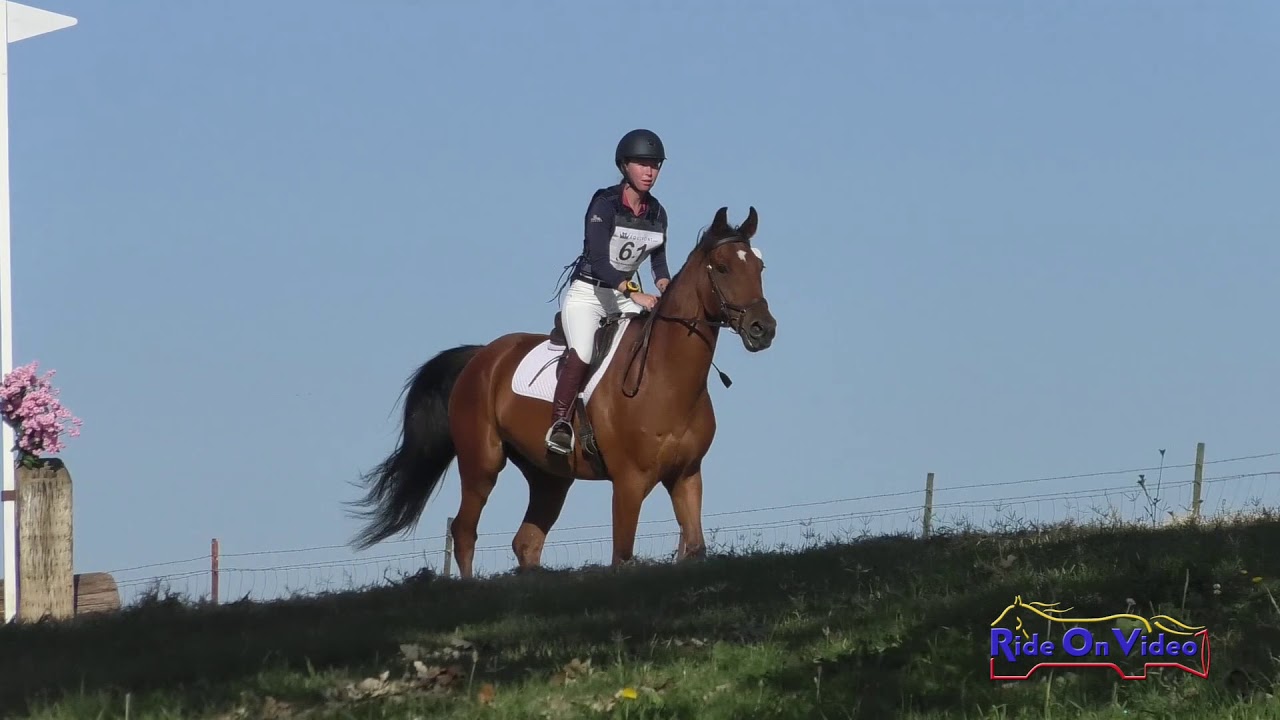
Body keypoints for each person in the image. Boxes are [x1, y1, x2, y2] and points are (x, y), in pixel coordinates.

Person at [545, 128, 672, 455]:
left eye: (654, 165)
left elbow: (657, 259)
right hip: (590, 294)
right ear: (624, 167)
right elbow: (600, 260)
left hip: (623, 298)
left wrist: (664, 284)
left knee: (646, 345)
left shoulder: (657, 213)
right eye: (642, 164)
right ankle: (560, 422)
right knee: (584, 353)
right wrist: (634, 293)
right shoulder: (604, 203)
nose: (649, 172)